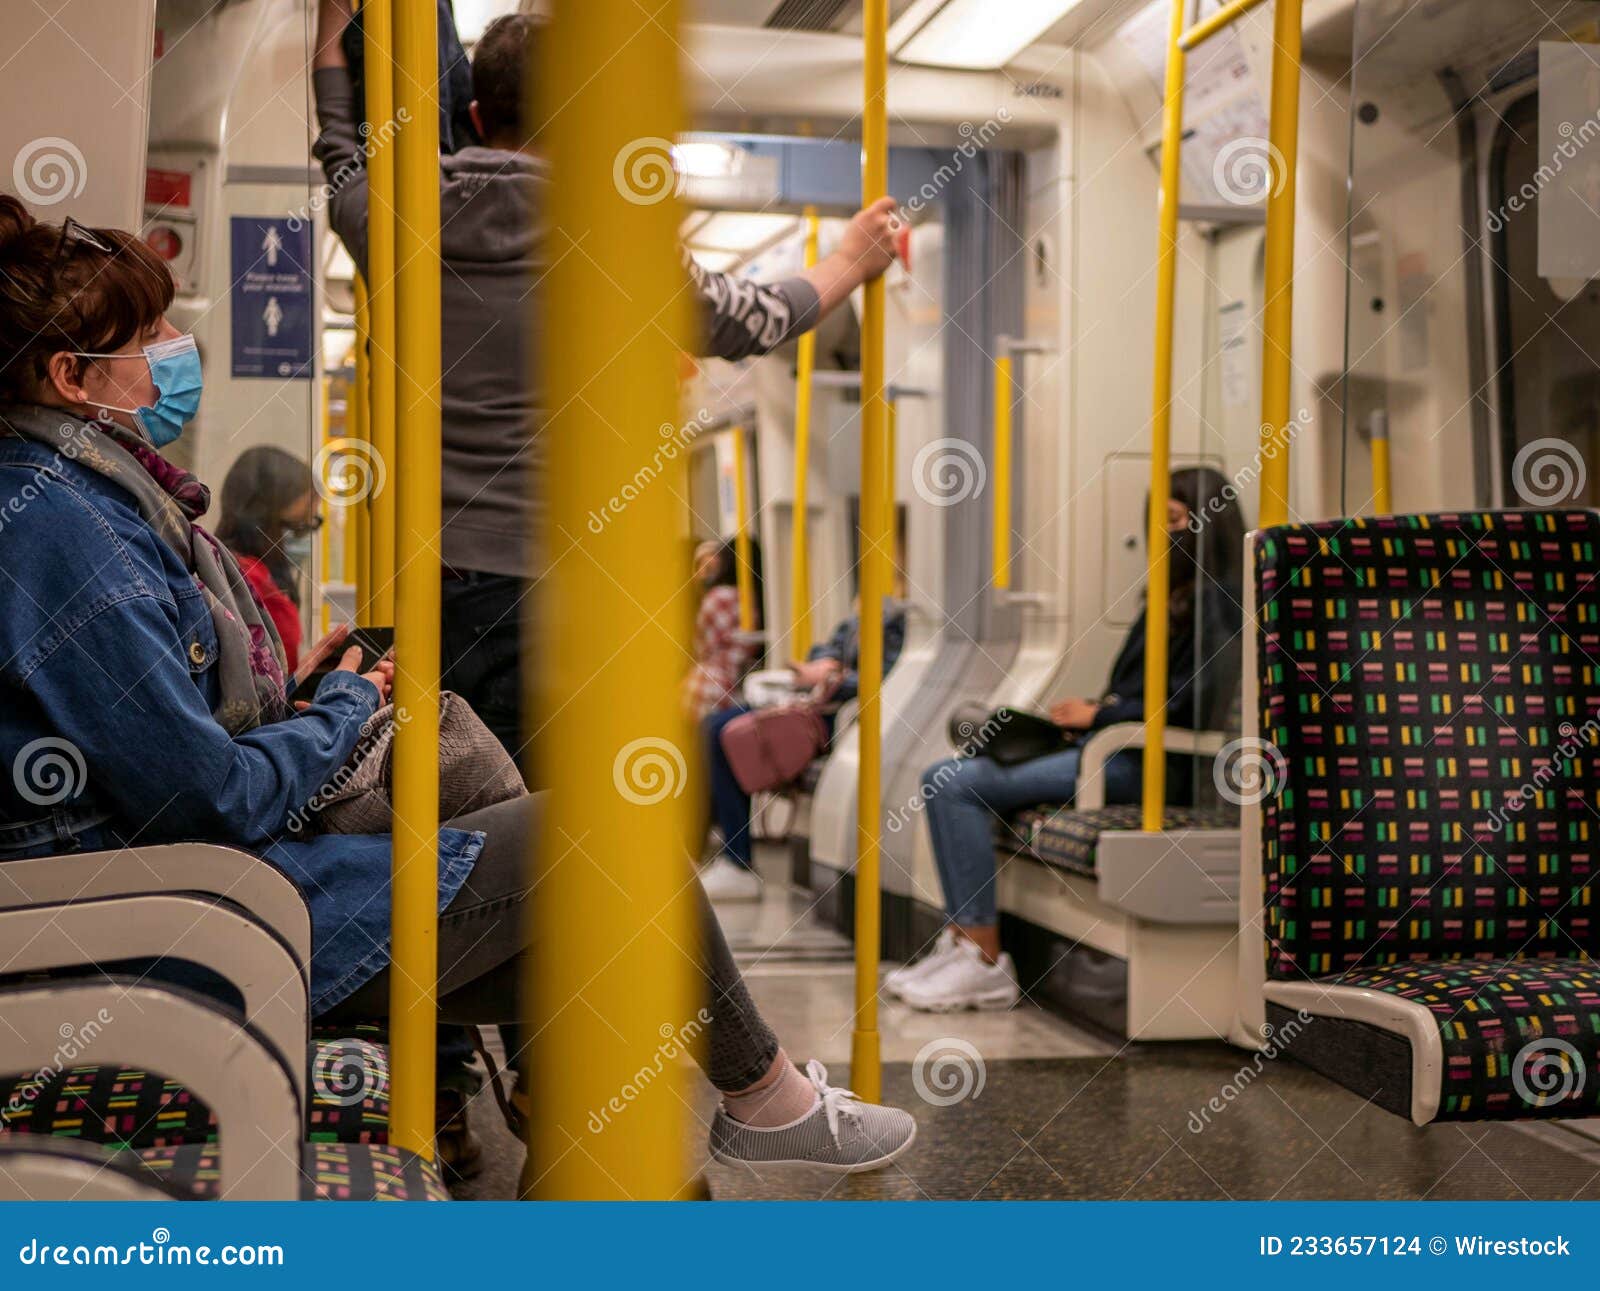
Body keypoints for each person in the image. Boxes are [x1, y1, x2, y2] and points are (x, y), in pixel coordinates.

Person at [0, 197, 915, 1174]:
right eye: (149, 337)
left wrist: (306, 701)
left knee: (583, 933)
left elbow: (163, 739)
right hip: (173, 912)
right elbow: (202, 794)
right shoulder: (65, 528)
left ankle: (666, 1166)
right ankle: (760, 1102)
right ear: (71, 377)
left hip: (174, 884)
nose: (173, 349)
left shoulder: (90, 502)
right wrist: (340, 711)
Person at [311, 5, 901, 768]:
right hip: (570, 595)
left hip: (434, 587)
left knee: (460, 814)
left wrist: (330, 29)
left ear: (479, 113)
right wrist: (852, 260)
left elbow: (338, 149)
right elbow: (747, 319)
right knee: (560, 831)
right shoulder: (619, 235)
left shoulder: (392, 208)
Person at [892, 467, 1246, 1011]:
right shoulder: (1168, 599)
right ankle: (962, 939)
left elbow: (1193, 707)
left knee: (951, 784)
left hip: (1149, 765)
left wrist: (1102, 716)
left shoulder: (1215, 606)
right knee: (950, 773)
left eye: (1176, 520)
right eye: (1159, 520)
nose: (1164, 533)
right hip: (1117, 748)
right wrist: (1097, 713)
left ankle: (984, 959)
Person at [701, 601, 910, 901]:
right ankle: (728, 852)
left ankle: (736, 859)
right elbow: (824, 649)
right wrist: (825, 666)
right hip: (813, 699)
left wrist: (829, 677)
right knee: (713, 726)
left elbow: (886, 676)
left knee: (728, 737)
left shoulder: (900, 618)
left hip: (835, 710)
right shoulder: (867, 604)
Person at [215, 445, 319, 674]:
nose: (304, 538)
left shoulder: (225, 566)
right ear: (263, 520)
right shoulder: (250, 580)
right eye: (298, 526)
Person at [686, 539, 759, 722]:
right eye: (701, 566)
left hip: (715, 682)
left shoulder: (717, 599)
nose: (703, 574)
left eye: (710, 568)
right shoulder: (750, 597)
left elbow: (703, 647)